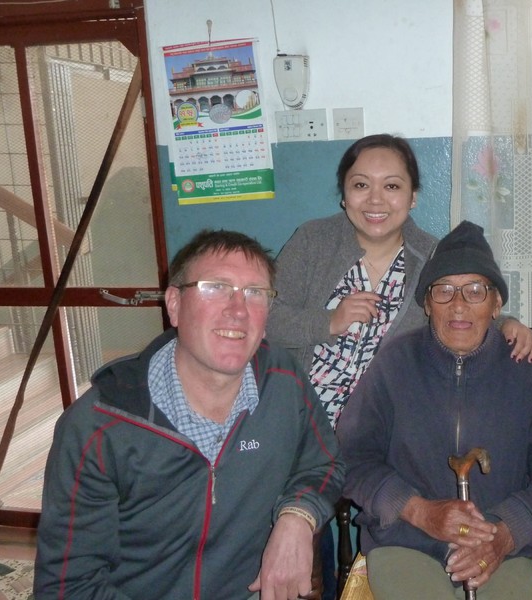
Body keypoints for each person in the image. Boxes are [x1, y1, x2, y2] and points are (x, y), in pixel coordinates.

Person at [267, 134, 532, 597]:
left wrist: (509, 321)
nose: (375, 200)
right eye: (360, 185)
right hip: (305, 426)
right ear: (343, 193)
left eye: (392, 186)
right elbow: (264, 316)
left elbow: (462, 305)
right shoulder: (313, 241)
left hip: (381, 432)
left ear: (412, 197)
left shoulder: (431, 254)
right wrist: (327, 320)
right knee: (297, 538)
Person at [34, 230, 344, 600]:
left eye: (255, 293)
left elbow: (324, 462)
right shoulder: (100, 426)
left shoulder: (283, 379)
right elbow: (70, 586)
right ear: (175, 304)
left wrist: (298, 516)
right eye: (216, 287)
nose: (238, 309)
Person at [336, 221, 532, 600]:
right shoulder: (394, 363)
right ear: (426, 303)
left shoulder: (526, 370)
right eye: (444, 290)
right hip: (406, 541)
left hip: (500, 547)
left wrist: (505, 531)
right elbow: (352, 457)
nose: (458, 305)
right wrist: (419, 511)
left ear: (497, 303)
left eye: (475, 291)